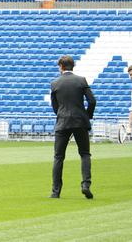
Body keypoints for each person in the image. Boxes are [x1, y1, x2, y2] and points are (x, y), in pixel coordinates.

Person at [49, 55, 96, 199]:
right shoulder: (81, 80)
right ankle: (85, 184)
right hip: (79, 121)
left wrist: (61, 115)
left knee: (58, 157)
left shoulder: (55, 83)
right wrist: (87, 115)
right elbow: (92, 101)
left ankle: (55, 192)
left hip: (62, 122)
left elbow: (54, 106)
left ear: (61, 67)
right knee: (84, 154)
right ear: (72, 66)